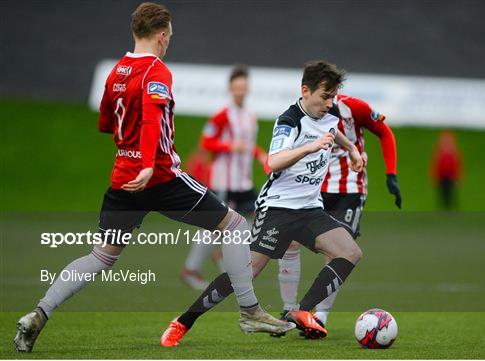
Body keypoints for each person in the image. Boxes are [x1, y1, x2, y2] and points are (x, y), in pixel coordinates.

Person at [13, 2, 293, 353]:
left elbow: (105, 123)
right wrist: (147, 163)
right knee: (236, 226)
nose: (169, 41)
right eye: (170, 35)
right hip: (159, 177)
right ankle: (250, 311)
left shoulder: (117, 71)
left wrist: (131, 151)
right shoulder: (157, 72)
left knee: (100, 256)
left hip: (122, 182)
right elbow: (150, 117)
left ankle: (39, 313)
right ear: (162, 35)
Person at [158, 60, 367, 347]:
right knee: (243, 273)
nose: (330, 103)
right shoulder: (288, 121)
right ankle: (183, 322)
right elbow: (273, 161)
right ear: (305, 90)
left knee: (350, 252)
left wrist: (353, 150)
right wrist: (308, 147)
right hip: (278, 211)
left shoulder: (328, 114)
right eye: (325, 96)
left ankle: (301, 311)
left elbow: (334, 132)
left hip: (310, 210)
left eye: (333, 96)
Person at [273, 93, 400, 336]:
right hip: (315, 189)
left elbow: (385, 132)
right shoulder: (303, 112)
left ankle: (319, 317)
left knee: (339, 252)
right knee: (290, 243)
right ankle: (289, 314)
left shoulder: (355, 107)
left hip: (349, 190)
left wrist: (391, 173)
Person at [180, 66, 268, 290]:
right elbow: (206, 142)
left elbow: (247, 145)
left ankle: (223, 256)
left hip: (243, 182)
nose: (240, 91)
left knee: (252, 221)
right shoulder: (222, 116)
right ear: (230, 88)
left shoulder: (249, 115)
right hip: (224, 183)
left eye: (244, 87)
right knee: (214, 226)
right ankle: (191, 269)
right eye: (237, 87)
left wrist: (260, 155)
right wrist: (229, 145)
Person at [431, 129, 462, 210]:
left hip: (450, 177)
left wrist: (457, 177)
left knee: (451, 194)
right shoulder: (440, 154)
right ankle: (444, 208)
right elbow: (436, 165)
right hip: (442, 178)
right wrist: (435, 176)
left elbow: (457, 166)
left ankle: (451, 208)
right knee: (442, 194)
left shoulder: (453, 154)